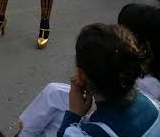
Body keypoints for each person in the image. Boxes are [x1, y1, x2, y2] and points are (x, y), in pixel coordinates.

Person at [18, 7, 160, 137]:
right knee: (53, 92)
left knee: (52, 95)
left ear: (80, 75)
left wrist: (74, 114)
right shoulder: (153, 105)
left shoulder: (91, 132)